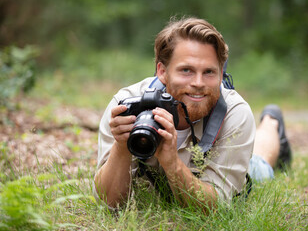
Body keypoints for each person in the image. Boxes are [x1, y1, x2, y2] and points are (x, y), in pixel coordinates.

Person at [94, 17, 291, 210]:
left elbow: (217, 206)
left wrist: (172, 163)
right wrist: (122, 146)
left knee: (259, 167)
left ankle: (272, 121)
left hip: (226, 164)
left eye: (209, 72)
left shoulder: (234, 112)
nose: (198, 83)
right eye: (186, 70)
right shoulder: (126, 105)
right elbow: (108, 202)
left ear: (222, 74)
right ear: (162, 71)